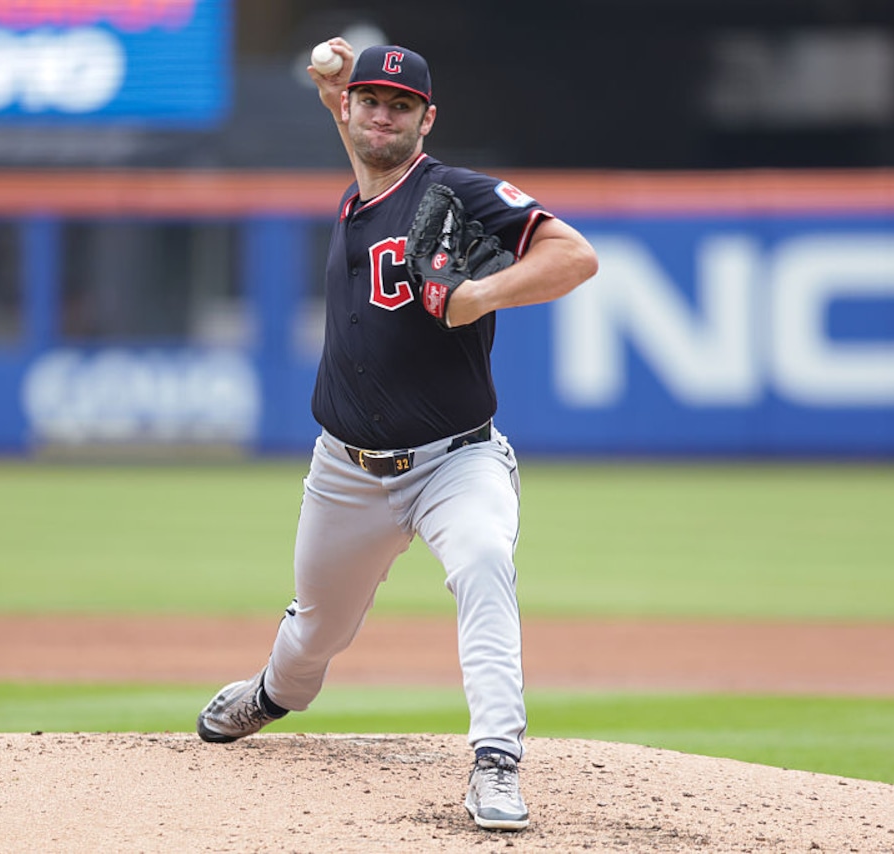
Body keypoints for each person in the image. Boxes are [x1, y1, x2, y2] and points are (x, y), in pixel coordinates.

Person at [196, 39, 598, 832]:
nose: (384, 115)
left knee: (483, 562)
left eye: (402, 106)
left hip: (458, 459)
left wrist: (479, 295)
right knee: (315, 628)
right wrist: (325, 84)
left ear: (427, 119)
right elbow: (355, 124)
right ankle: (270, 696)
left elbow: (574, 256)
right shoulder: (364, 180)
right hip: (345, 470)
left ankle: (496, 762)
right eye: (371, 101)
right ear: (351, 111)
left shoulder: (455, 189)